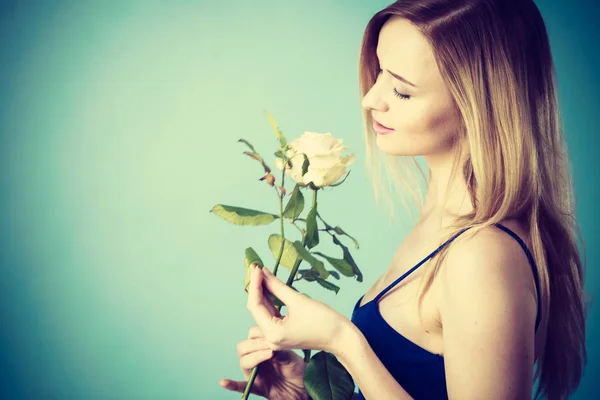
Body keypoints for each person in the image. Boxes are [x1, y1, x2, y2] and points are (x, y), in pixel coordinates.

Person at [219, 0, 588, 398]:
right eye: (379, 72)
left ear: (475, 106)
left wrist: (343, 341)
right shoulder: (445, 220)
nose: (371, 99)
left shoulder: (482, 257)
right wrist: (303, 394)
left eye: (401, 90)